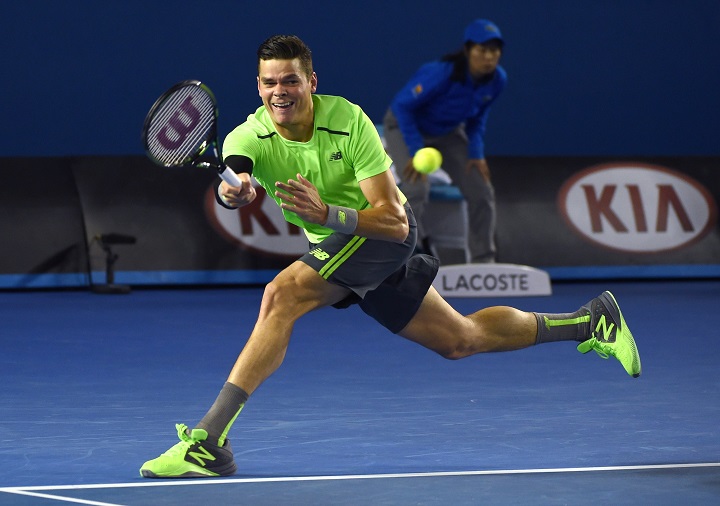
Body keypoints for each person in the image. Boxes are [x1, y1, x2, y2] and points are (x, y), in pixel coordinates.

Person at [139, 34, 641, 479]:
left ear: (311, 81)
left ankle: (209, 442)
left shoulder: (349, 121)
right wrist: (238, 191)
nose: (279, 92)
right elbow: (241, 175)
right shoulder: (245, 136)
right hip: (339, 247)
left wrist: (331, 213)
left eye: (290, 80)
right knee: (459, 340)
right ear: (258, 86)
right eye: (269, 82)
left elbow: (395, 220)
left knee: (281, 295)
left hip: (380, 235)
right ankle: (590, 323)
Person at [383, 19, 507, 263]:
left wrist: (476, 154)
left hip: (448, 134)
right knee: (416, 188)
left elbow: (477, 120)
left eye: (494, 51)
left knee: (481, 189)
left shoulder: (497, 80)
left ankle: (484, 261)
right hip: (404, 126)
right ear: (468, 50)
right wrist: (417, 151)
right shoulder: (440, 73)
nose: (489, 57)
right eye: (482, 50)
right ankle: (403, 256)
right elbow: (402, 107)